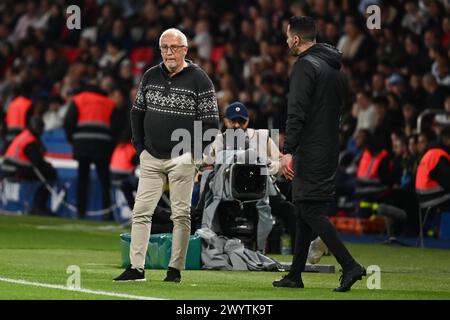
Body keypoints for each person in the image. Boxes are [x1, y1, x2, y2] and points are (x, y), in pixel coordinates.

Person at [114, 28, 219, 283]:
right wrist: (140, 147)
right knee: (141, 212)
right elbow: (136, 113)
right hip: (151, 156)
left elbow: (211, 124)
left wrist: (192, 154)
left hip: (181, 158)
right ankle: (136, 268)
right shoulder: (150, 76)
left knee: (180, 215)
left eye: (174, 48)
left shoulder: (200, 79)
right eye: (164, 48)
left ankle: (175, 269)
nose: (169, 53)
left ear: (185, 50)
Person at [273, 16, 366, 292]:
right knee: (303, 210)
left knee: (309, 209)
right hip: (328, 147)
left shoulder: (304, 66)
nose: (286, 41)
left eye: (288, 37)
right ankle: (295, 274)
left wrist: (288, 150)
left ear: (297, 39)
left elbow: (297, 111)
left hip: (310, 149)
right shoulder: (335, 67)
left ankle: (350, 265)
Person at [201, 101, 297, 253]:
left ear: (248, 121)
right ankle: (201, 246)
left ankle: (301, 250)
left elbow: (281, 160)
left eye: (241, 121)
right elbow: (204, 163)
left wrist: (271, 167)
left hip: (260, 188)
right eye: (233, 121)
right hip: (227, 191)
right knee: (201, 206)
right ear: (225, 121)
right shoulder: (219, 140)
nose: (237, 125)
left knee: (288, 211)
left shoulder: (262, 136)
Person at [64, 80, 118, 220]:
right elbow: (116, 128)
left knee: (83, 179)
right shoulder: (109, 102)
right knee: (104, 180)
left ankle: (80, 212)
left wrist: (73, 140)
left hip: (82, 145)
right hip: (102, 146)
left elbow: (68, 122)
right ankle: (108, 212)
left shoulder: (78, 99)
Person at [2, 116, 57, 215]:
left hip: (7, 168)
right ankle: (38, 207)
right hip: (16, 169)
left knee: (44, 172)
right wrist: (49, 168)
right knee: (50, 175)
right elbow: (38, 161)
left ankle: (37, 206)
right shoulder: (30, 140)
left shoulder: (24, 135)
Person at [415, 126, 450, 208]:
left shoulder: (433, 152)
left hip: (426, 199)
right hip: (435, 201)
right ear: (447, 140)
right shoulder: (438, 156)